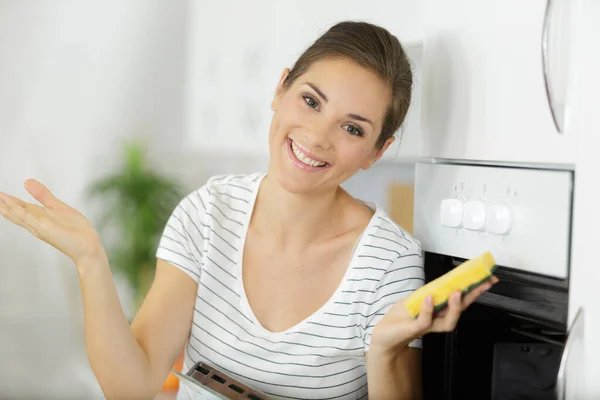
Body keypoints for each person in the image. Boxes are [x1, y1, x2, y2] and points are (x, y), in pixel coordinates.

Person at [0, 21, 497, 400]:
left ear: (377, 152)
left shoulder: (389, 262)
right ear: (280, 90)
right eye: (310, 101)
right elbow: (132, 385)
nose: (317, 136)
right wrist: (91, 260)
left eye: (353, 129)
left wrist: (385, 349)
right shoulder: (207, 214)